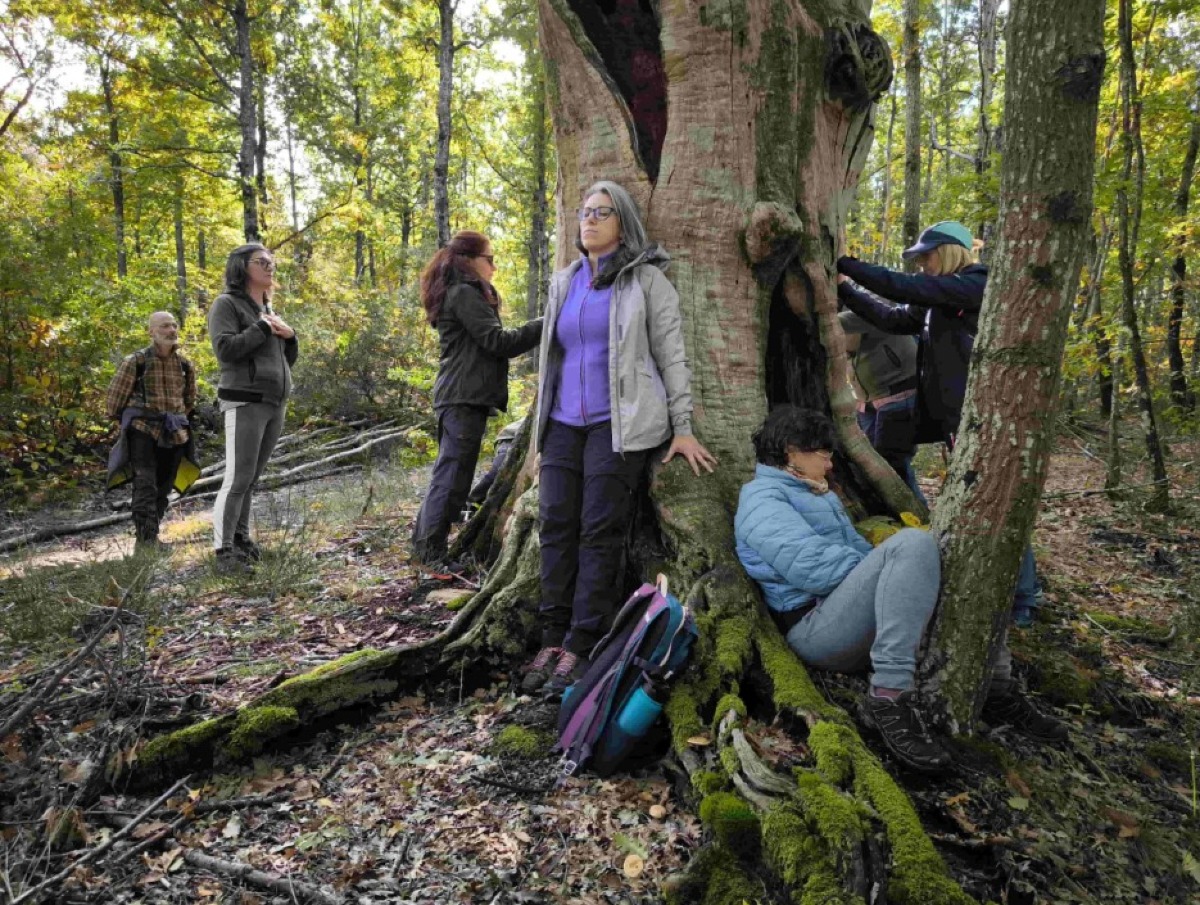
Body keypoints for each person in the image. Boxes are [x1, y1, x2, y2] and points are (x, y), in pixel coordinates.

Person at [734, 407, 1066, 772]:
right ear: (792, 451)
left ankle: (997, 685)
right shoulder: (762, 501)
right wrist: (891, 568)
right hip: (815, 628)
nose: (830, 465)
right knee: (912, 545)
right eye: (825, 455)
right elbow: (817, 572)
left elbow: (850, 562)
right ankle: (889, 696)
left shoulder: (812, 492)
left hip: (844, 612)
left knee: (972, 566)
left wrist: (897, 574)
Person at [521, 180, 717, 696]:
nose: (589, 220)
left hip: (620, 426)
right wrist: (536, 439)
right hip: (562, 425)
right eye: (585, 212)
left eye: (602, 212)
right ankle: (550, 638)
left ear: (622, 222)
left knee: (598, 531)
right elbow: (551, 361)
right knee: (555, 526)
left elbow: (672, 356)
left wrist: (683, 428)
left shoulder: (647, 282)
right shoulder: (564, 281)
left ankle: (582, 643)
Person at [836, 222, 1042, 626]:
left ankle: (1023, 598)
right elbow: (894, 318)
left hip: (983, 417)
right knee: (979, 502)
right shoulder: (940, 297)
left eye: (927, 256)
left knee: (994, 502)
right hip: (957, 420)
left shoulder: (975, 284)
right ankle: (1005, 589)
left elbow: (904, 288)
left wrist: (846, 264)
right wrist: (844, 289)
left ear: (949, 252)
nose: (923, 265)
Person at [411, 231, 543, 569]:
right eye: (490, 258)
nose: (494, 266)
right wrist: (547, 321)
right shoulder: (463, 294)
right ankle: (429, 554)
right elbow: (497, 342)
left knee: (452, 474)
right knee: (452, 476)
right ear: (469, 260)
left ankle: (425, 547)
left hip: (463, 396)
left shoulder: (461, 293)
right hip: (461, 397)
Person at [208, 243, 298, 573]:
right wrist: (262, 327)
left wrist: (290, 337)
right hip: (244, 400)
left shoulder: (269, 308)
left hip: (274, 403)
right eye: (262, 262)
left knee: (252, 477)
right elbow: (226, 350)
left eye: (272, 262)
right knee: (237, 477)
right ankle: (224, 552)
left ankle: (242, 540)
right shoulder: (226, 304)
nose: (270, 267)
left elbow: (282, 361)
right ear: (242, 267)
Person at [105, 311, 198, 551]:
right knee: (145, 485)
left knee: (164, 487)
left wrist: (176, 419)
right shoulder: (135, 362)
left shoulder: (185, 365)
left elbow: (189, 401)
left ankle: (152, 537)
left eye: (174, 325)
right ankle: (145, 542)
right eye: (165, 326)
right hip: (143, 432)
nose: (171, 330)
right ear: (152, 332)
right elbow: (114, 403)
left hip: (175, 433)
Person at [839, 305, 925, 504]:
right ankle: (891, 512)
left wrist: (818, 316)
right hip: (869, 404)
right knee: (867, 461)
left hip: (901, 395)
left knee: (892, 463)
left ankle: (918, 514)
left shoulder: (869, 305)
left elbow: (853, 318)